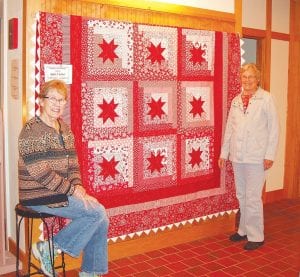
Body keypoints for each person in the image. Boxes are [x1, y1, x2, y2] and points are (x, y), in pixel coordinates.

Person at [18, 79, 109, 276]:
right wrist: (72, 190)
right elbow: (40, 172)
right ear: (41, 101)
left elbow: (73, 164)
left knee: (100, 215)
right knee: (97, 213)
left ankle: (89, 271)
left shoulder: (64, 129)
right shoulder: (31, 130)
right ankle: (52, 249)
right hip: (38, 195)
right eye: (53, 99)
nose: (58, 104)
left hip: (59, 193)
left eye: (62, 100)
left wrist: (78, 186)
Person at [218, 63, 279, 251]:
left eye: (251, 77)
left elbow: (274, 129)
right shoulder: (237, 100)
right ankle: (243, 230)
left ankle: (256, 235)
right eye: (244, 77)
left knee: (253, 197)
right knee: (242, 195)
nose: (247, 80)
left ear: (257, 79)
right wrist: (224, 153)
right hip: (238, 156)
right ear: (240, 79)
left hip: (256, 157)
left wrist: (269, 155)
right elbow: (230, 129)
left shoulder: (266, 99)